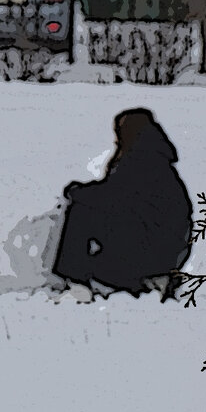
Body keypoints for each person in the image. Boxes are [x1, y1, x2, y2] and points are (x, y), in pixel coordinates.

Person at [52, 108, 192, 297]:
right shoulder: (156, 161)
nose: (116, 139)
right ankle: (154, 278)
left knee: (82, 212)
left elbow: (108, 196)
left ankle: (74, 280)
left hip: (150, 255)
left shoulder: (140, 160)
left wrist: (75, 192)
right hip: (171, 255)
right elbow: (117, 194)